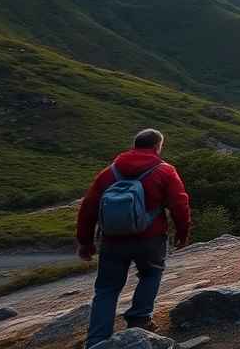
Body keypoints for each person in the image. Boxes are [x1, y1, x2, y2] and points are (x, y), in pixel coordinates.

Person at [76, 128, 191, 348]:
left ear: (134, 145)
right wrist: (183, 233)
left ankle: (97, 340)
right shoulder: (165, 171)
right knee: (151, 274)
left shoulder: (109, 172)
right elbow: (179, 204)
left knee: (106, 288)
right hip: (150, 239)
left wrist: (85, 240)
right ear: (157, 146)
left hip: (112, 241)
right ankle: (139, 321)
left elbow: (89, 206)